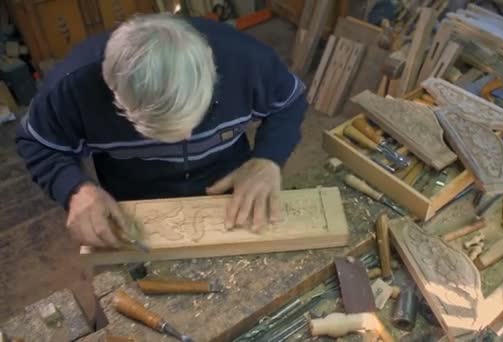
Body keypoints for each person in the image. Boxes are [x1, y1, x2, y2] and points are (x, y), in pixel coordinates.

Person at [15, 14, 307, 248]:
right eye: (157, 134)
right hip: (136, 206)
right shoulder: (73, 87)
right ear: (114, 92)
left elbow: (290, 101)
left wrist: (268, 158)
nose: (185, 141)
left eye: (195, 120)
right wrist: (75, 189)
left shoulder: (245, 60)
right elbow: (38, 143)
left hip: (231, 192)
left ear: (211, 66)